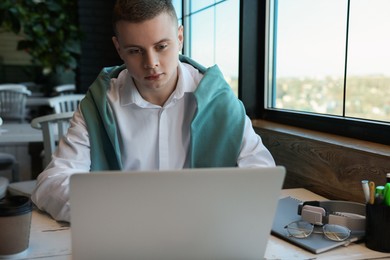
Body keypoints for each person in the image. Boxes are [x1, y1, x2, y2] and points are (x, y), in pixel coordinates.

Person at [31, 0, 275, 222]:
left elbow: (262, 176)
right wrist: (122, 213)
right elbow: (51, 184)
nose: (151, 63)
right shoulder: (98, 104)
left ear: (180, 38)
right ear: (118, 48)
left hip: (203, 233)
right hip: (124, 234)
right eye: (135, 51)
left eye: (161, 46)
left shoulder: (218, 99)